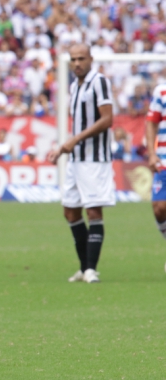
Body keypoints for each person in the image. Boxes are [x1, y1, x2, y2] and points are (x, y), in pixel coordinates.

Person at [48, 43, 114, 284]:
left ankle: (91, 270)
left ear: (90, 59)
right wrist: (65, 146)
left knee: (93, 210)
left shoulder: (99, 82)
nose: (77, 63)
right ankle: (84, 266)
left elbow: (107, 119)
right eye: (73, 59)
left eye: (81, 59)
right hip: (76, 158)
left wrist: (74, 140)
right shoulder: (75, 85)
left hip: (95, 159)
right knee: (70, 211)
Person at [145, 83, 166, 269]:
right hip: (164, 159)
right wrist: (152, 153)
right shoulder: (162, 90)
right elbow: (151, 122)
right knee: (159, 207)